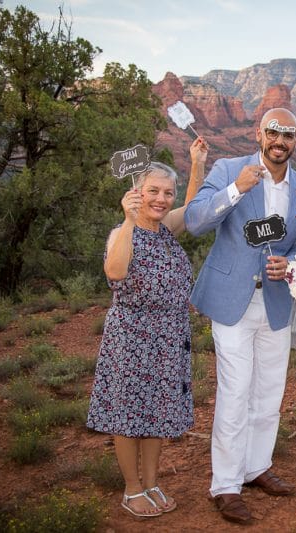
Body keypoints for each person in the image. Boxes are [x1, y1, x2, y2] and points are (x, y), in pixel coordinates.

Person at [185, 108, 296, 524]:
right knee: (235, 391)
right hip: (232, 301)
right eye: (273, 132)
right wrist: (235, 191)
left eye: (288, 135)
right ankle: (225, 485)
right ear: (258, 133)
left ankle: (256, 466)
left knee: (268, 393)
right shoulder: (230, 169)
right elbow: (193, 221)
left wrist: (291, 263)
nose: (280, 141)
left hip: (276, 302)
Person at [86, 138, 208, 519]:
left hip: (169, 338)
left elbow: (191, 209)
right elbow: (115, 271)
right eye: (152, 191)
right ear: (136, 193)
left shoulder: (164, 228)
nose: (161, 199)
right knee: (128, 414)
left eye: (166, 192)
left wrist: (197, 163)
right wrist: (127, 218)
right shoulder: (123, 233)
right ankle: (132, 488)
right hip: (131, 339)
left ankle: (152, 482)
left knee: (157, 413)